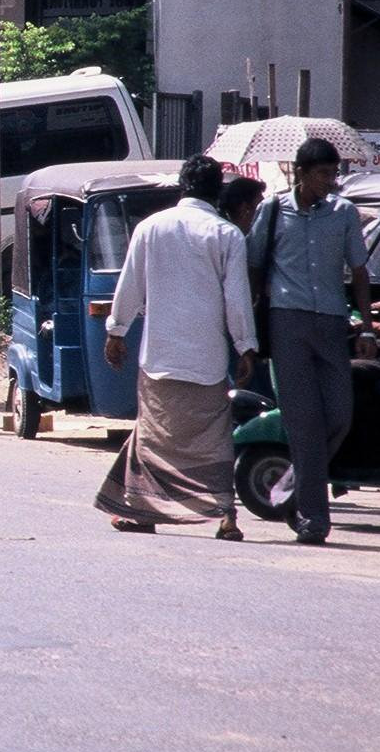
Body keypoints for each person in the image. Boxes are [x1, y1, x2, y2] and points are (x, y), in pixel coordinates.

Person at [94, 155, 258, 540]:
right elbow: (236, 299)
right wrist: (246, 347)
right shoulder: (227, 235)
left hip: (160, 355)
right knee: (213, 441)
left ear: (181, 187)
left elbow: (130, 284)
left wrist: (116, 332)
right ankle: (225, 516)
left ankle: (144, 511)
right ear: (217, 192)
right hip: (208, 359)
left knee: (154, 437)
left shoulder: (150, 228)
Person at [247, 138, 373, 544]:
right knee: (304, 425)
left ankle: (288, 491)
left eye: (334, 173)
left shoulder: (344, 213)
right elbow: (253, 267)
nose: (330, 181)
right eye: (322, 174)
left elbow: (359, 270)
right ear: (300, 172)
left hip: (333, 321)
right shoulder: (272, 210)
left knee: (339, 416)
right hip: (287, 323)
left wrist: (368, 326)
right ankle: (314, 519)